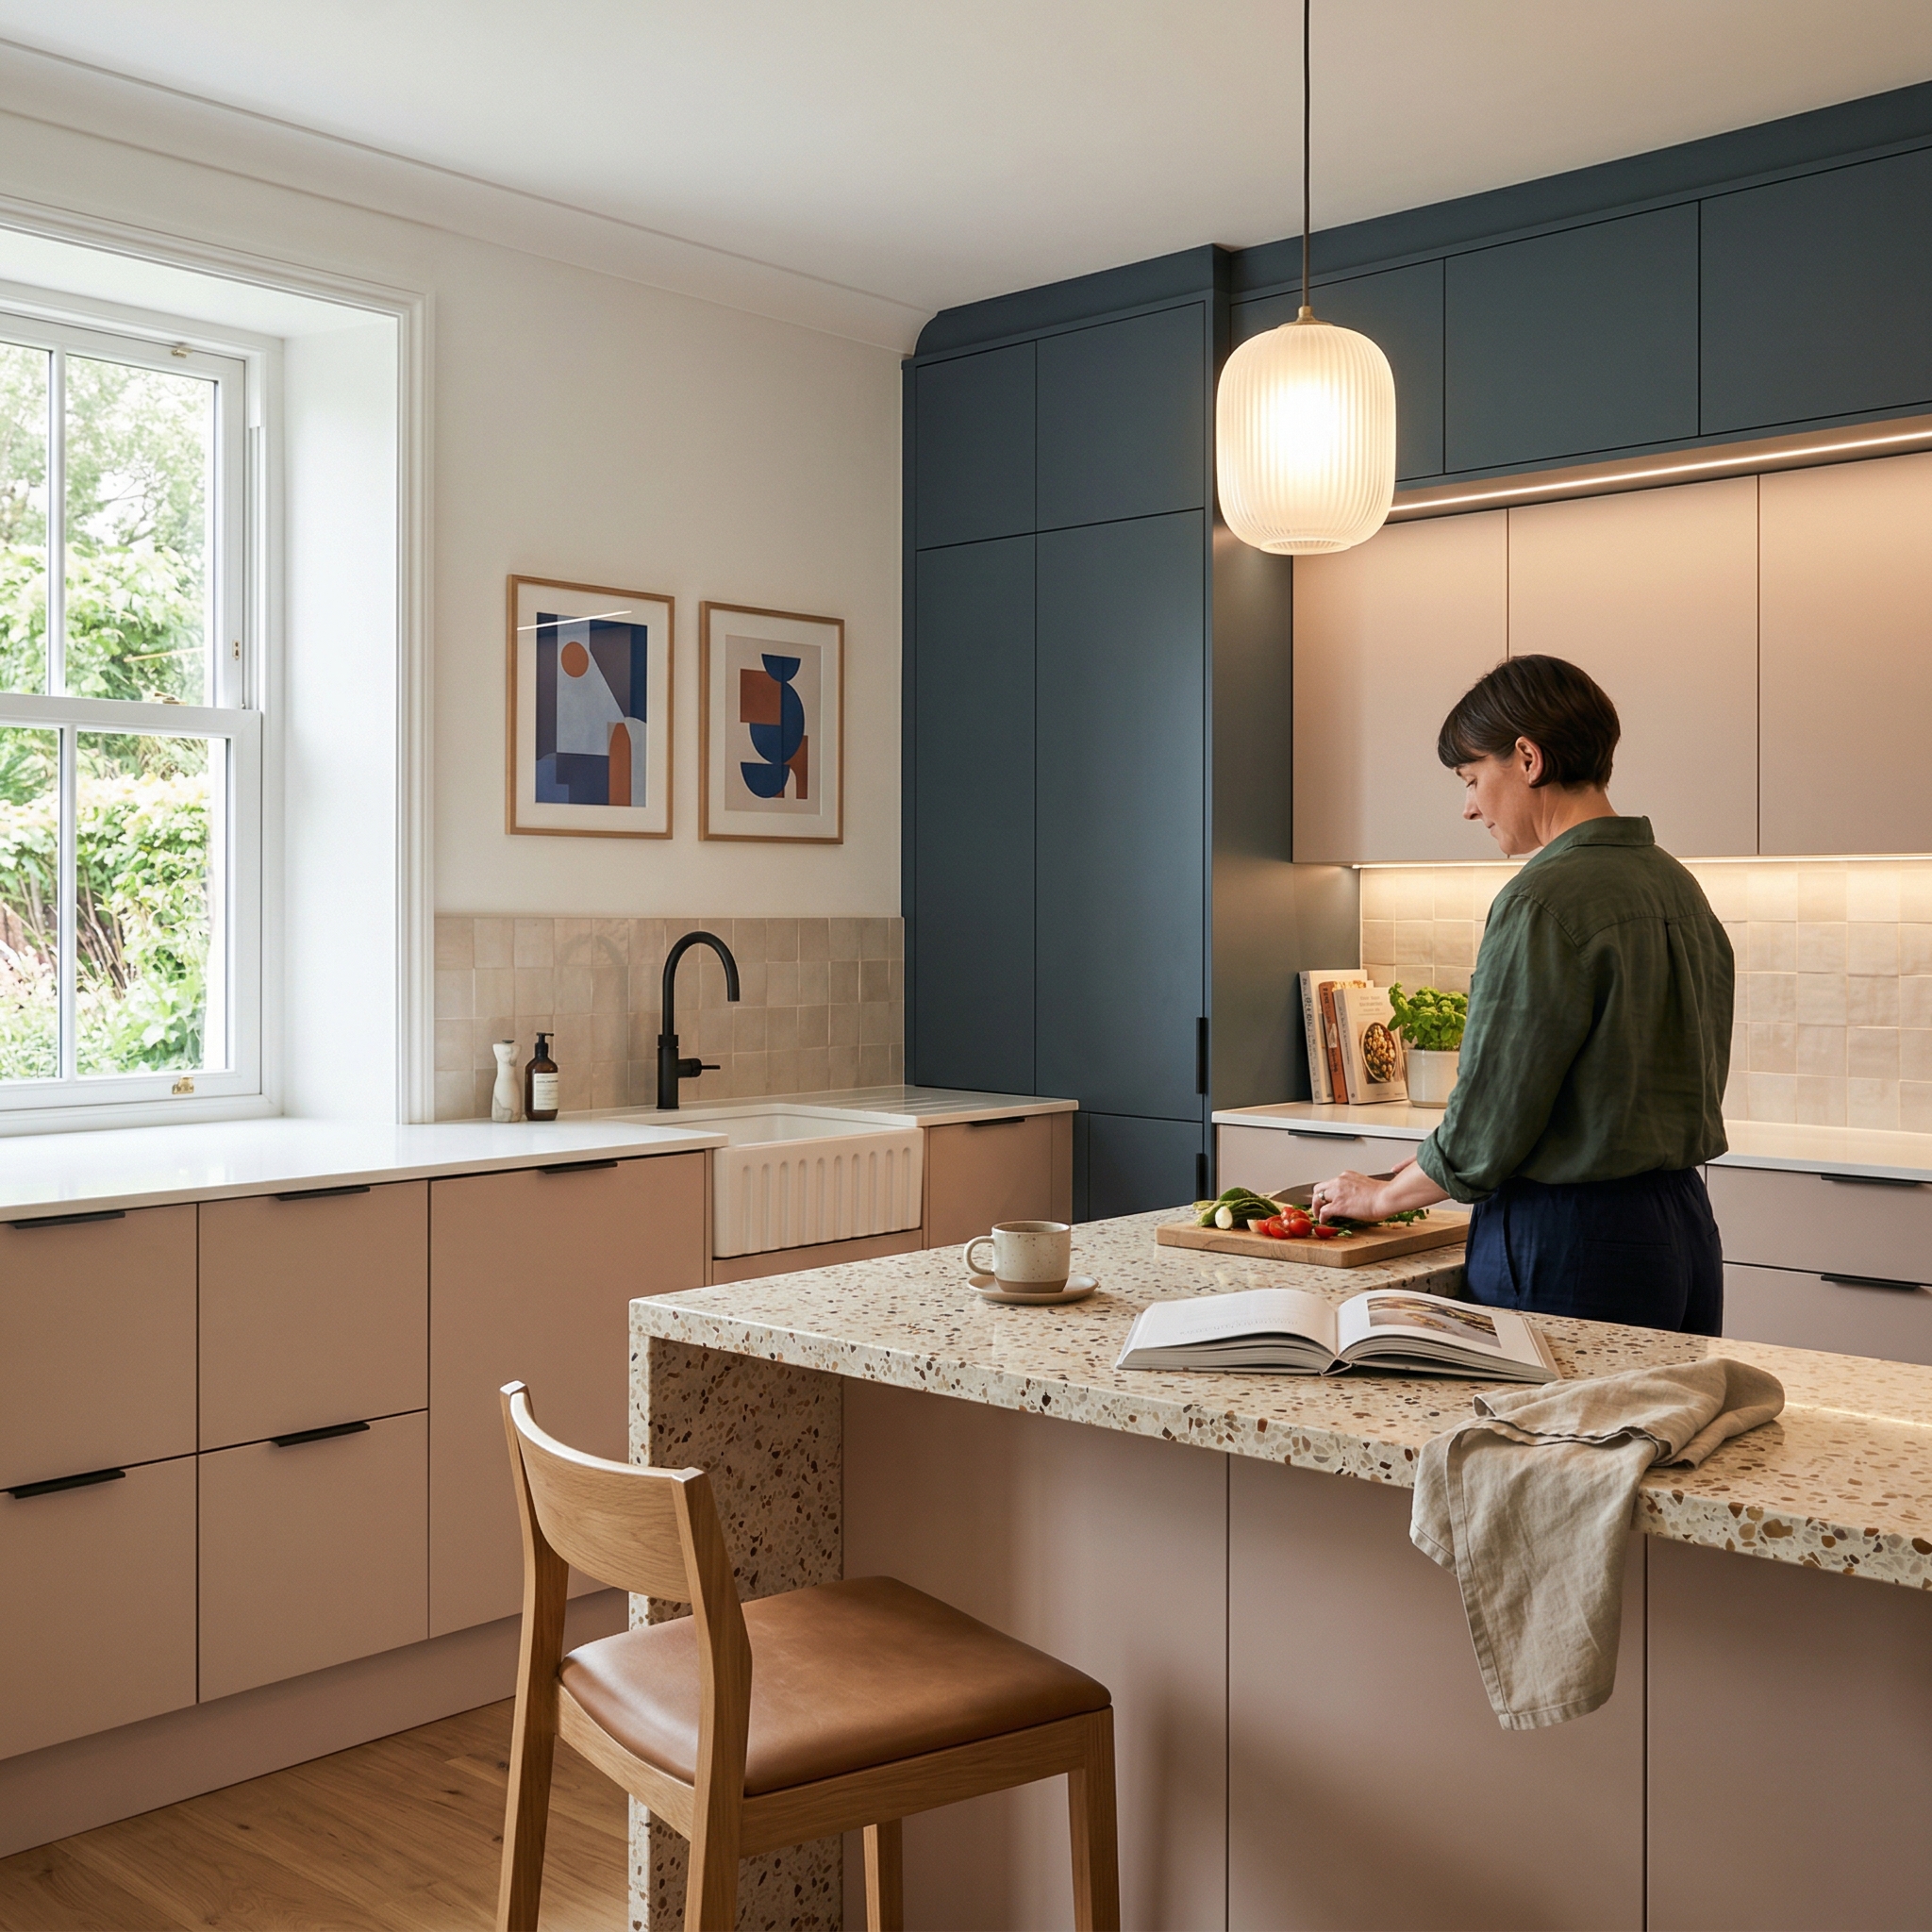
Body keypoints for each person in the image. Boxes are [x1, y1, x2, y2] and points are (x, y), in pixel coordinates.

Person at [1309, 655, 1734, 1336]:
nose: (1470, 805)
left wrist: (1386, 1194)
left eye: (1474, 778)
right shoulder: (1675, 885)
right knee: (1661, 1436)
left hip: (1570, 1240)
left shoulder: (1541, 900)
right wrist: (1426, 1165)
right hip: (1684, 1226)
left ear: (1528, 759)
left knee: (1546, 1442)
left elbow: (1490, 1118)